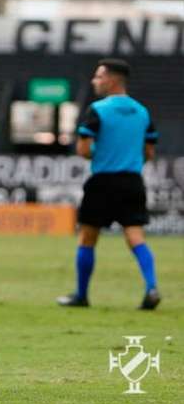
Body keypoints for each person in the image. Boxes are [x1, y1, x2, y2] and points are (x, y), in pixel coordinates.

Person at [57, 58, 161, 310]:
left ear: (112, 80)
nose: (95, 81)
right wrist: (129, 156)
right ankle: (151, 287)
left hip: (103, 181)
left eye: (99, 76)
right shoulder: (142, 111)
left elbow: (83, 149)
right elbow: (149, 152)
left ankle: (81, 295)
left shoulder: (98, 110)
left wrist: (104, 154)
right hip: (132, 181)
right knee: (135, 236)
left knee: (87, 238)